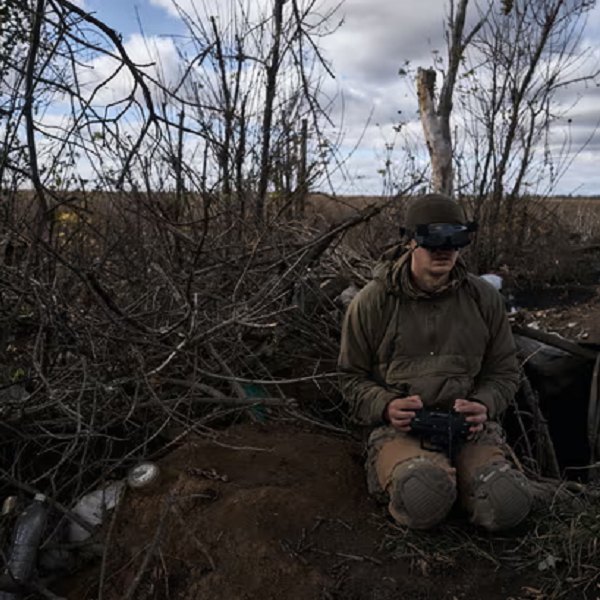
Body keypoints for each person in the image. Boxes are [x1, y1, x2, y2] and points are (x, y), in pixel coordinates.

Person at [338, 193, 533, 532]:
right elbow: (350, 377)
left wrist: (484, 404)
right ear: (411, 240)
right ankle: (433, 485)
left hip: (468, 429)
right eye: (432, 239)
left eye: (455, 239)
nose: (444, 249)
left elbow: (504, 370)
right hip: (403, 431)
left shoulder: (483, 299)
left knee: (508, 503)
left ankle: (470, 487)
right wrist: (386, 406)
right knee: (423, 497)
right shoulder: (373, 302)